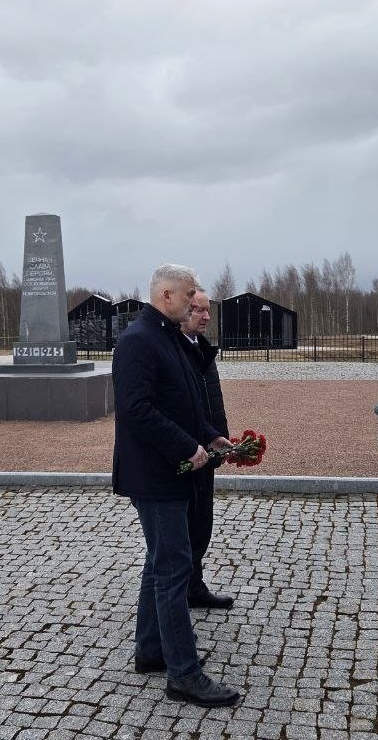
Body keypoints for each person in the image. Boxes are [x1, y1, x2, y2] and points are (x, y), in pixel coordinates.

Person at [111, 264, 241, 707]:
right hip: (156, 474)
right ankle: (184, 674)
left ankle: (150, 652)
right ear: (165, 295)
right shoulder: (137, 342)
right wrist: (187, 447)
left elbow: (184, 400)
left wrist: (209, 435)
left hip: (169, 469)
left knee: (160, 562)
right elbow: (136, 410)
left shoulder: (167, 337)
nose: (194, 303)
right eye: (189, 296)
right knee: (173, 569)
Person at [178, 288, 235, 610]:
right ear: (182, 312)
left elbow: (213, 399)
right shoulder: (175, 350)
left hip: (207, 447)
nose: (206, 316)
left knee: (202, 525)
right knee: (182, 529)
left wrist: (221, 436)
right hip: (186, 452)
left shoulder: (201, 348)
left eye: (207, 310)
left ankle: (194, 587)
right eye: (198, 310)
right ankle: (178, 594)